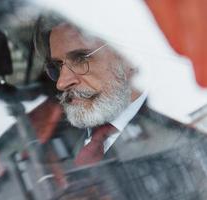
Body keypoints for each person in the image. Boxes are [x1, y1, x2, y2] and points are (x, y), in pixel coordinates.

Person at [34, 16, 148, 165]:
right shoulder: (55, 139)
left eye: (81, 59)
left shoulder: (178, 123)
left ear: (130, 56)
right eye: (57, 66)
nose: (61, 83)